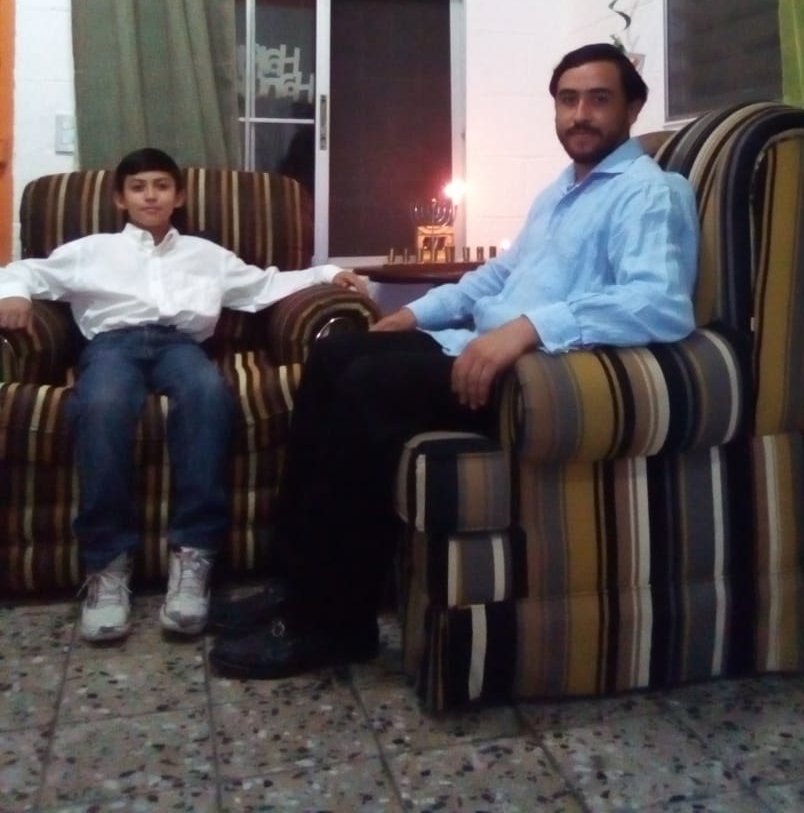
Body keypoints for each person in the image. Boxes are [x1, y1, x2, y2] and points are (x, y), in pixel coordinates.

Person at [207, 43, 700, 679]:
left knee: (367, 385)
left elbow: (659, 302)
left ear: (632, 107)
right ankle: (297, 581)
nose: (580, 114)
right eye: (568, 99)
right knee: (333, 356)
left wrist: (527, 329)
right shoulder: (562, 192)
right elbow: (497, 275)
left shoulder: (648, 193)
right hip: (474, 346)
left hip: (534, 377)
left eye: (599, 99)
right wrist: (415, 315)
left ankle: (333, 624)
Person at [0, 147, 366, 644]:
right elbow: (24, 270)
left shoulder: (205, 255)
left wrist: (325, 274)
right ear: (120, 199)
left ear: (179, 196)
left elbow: (264, 285)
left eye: (161, 186)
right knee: (102, 406)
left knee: (208, 395)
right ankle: (107, 566)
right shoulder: (91, 250)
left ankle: (193, 557)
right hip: (112, 346)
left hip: (181, 346)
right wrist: (13, 294)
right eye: (138, 187)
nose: (150, 196)